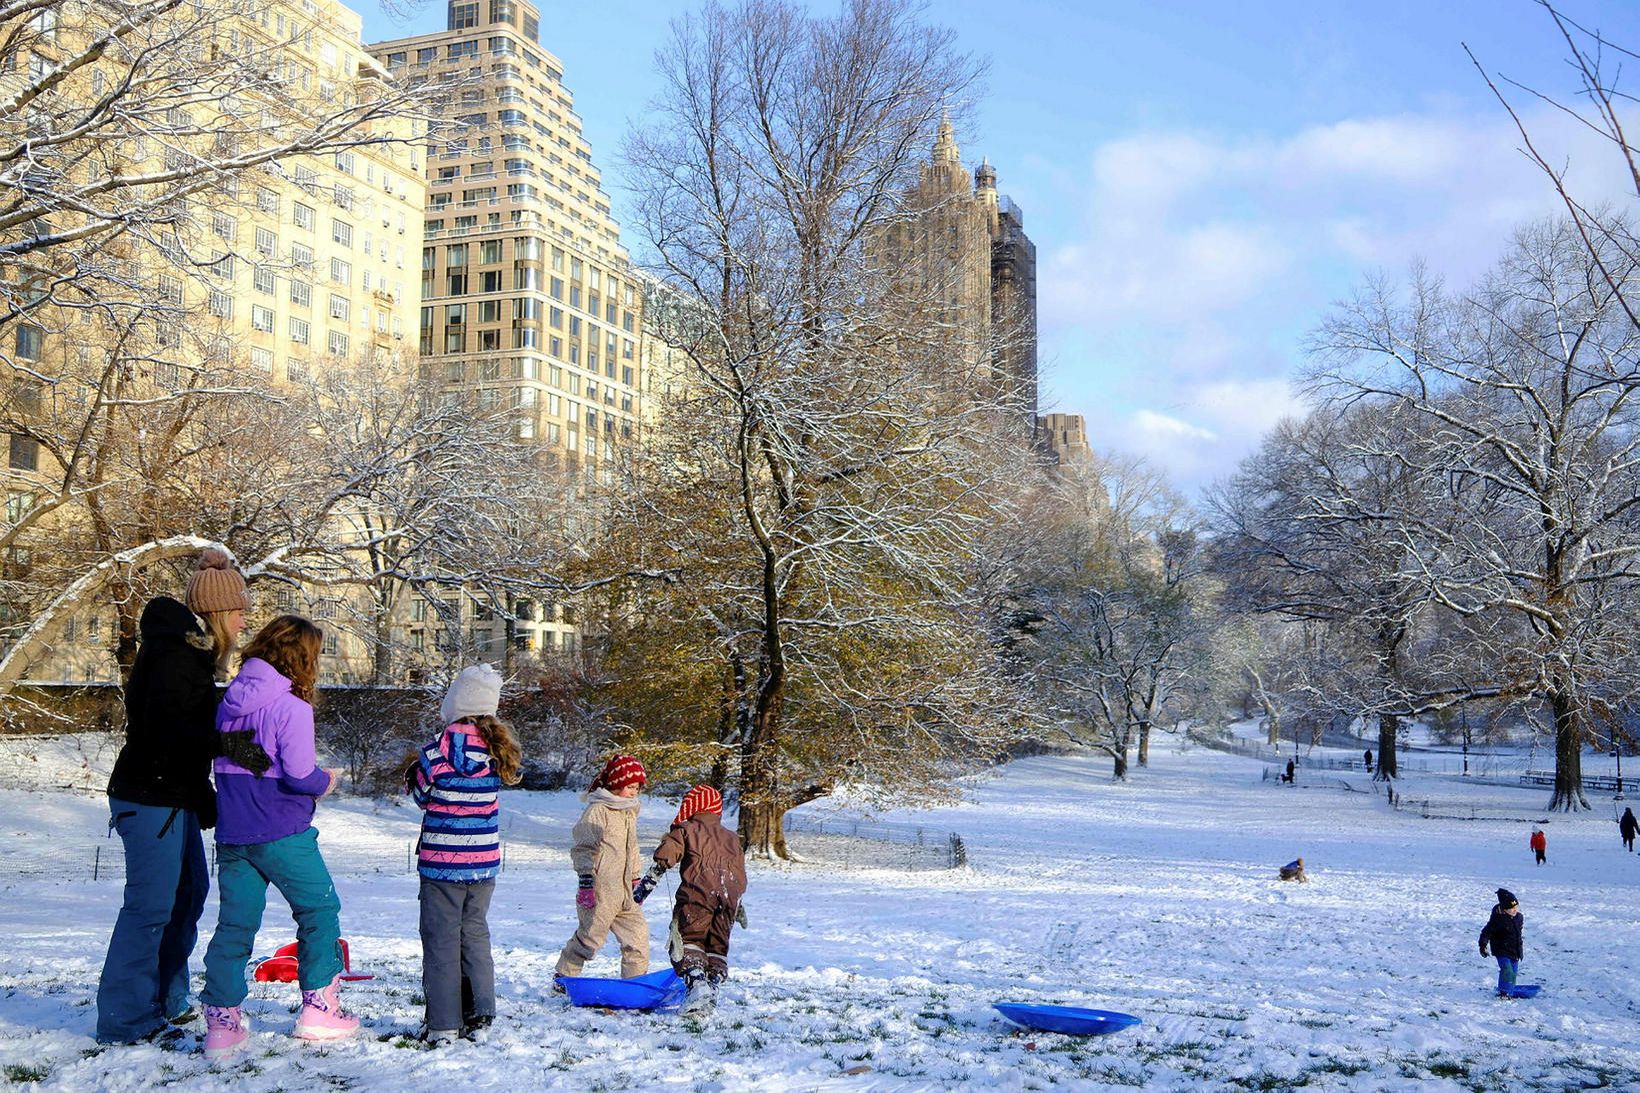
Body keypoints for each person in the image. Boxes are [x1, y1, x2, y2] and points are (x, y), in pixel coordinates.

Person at [96, 548, 271, 1044]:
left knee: (186, 898)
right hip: (149, 798)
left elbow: (185, 731)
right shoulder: (175, 657)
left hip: (172, 797)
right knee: (150, 908)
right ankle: (125, 1020)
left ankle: (166, 999)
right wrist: (236, 747)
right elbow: (168, 732)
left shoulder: (188, 656)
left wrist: (204, 790)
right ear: (218, 612)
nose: (242, 620)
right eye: (238, 610)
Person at [200, 616, 357, 1059]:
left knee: (234, 925)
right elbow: (299, 774)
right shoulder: (292, 707)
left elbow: (243, 760)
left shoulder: (229, 700)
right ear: (302, 656)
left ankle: (223, 1026)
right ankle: (320, 1010)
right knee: (320, 910)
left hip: (234, 833)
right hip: (283, 831)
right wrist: (327, 780)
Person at [408, 665, 522, 1046]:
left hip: (441, 864)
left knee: (441, 940)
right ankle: (480, 1015)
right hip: (483, 864)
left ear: (452, 706)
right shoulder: (498, 754)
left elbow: (424, 798)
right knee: (475, 935)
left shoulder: (434, 752)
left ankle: (443, 1024)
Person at [632, 784, 747, 1016]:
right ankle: (711, 986)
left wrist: (645, 887)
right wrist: (738, 903)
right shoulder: (732, 838)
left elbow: (665, 857)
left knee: (688, 939)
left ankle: (698, 985)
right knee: (716, 943)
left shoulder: (686, 829)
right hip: (728, 899)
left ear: (693, 806)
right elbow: (737, 872)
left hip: (697, 895)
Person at [553, 755, 650, 982]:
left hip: (626, 892)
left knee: (637, 938)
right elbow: (583, 848)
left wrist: (636, 879)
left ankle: (634, 983)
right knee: (590, 938)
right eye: (630, 786)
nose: (634, 792)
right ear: (616, 784)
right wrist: (586, 881)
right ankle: (564, 976)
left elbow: (632, 849)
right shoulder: (598, 810)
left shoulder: (629, 812)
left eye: (637, 787)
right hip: (601, 891)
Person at [1478, 888, 1525, 996]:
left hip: (1515, 951)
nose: (1515, 910)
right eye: (1511, 908)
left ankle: (1510, 990)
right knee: (1507, 970)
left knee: (1513, 973)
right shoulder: (1497, 920)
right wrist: (1482, 946)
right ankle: (1503, 993)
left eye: (1516, 907)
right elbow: (1486, 933)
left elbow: (1518, 934)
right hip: (1501, 950)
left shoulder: (1519, 918)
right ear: (1504, 909)